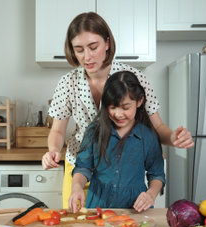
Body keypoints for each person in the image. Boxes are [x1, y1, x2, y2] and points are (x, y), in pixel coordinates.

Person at [42, 12, 193, 209]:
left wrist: (173, 138)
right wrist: (53, 151)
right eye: (79, 50)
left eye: (93, 47)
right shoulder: (67, 83)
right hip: (81, 165)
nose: (86, 56)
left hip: (122, 166)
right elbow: (58, 130)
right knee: (77, 225)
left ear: (107, 43)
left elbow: (158, 127)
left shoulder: (133, 78)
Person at [69, 71, 165, 213]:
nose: (118, 114)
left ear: (139, 101)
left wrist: (151, 194)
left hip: (135, 209)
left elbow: (157, 175)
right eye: (112, 107)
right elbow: (83, 167)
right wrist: (77, 186)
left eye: (126, 107)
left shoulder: (148, 136)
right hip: (98, 206)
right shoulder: (94, 131)